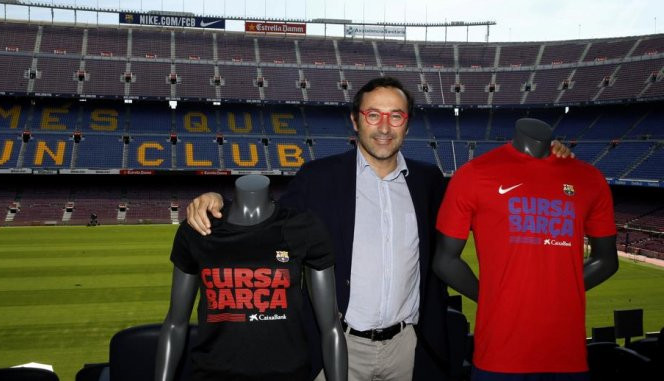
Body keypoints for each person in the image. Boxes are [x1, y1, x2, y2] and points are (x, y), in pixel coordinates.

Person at [186, 78, 575, 380]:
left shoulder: (428, 181)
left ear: (407, 123)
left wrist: (548, 162)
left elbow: (493, 196)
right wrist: (218, 201)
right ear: (355, 120)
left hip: (409, 347)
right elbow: (266, 224)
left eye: (396, 116)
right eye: (373, 115)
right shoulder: (317, 178)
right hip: (337, 347)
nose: (384, 127)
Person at [434, 118, 617, 380]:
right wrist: (490, 297)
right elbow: (444, 261)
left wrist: (554, 292)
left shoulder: (590, 179)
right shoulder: (474, 174)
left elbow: (607, 260)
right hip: (499, 354)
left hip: (567, 354)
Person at [156, 175, 346, 381]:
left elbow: (331, 326)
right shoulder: (197, 230)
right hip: (213, 373)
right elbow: (175, 323)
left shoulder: (303, 227)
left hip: (288, 373)